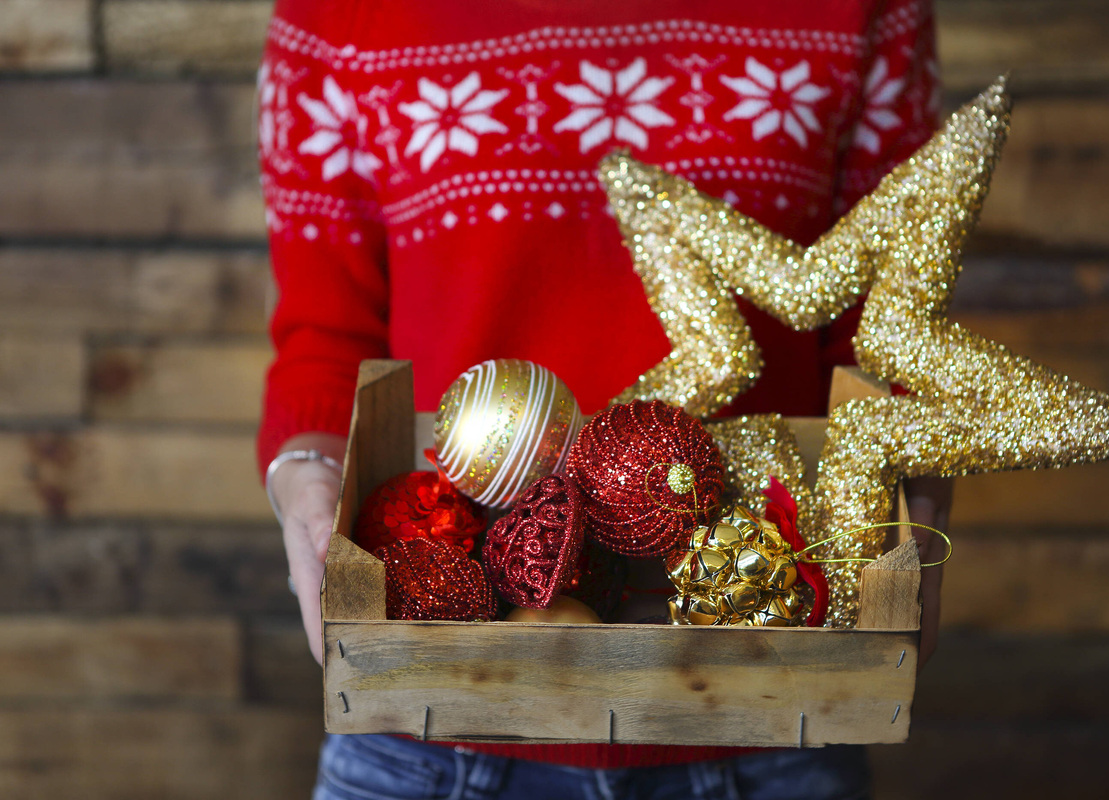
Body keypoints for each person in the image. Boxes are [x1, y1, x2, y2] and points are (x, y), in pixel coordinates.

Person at [258, 0, 949, 797]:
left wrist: (916, 504)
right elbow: (327, 328)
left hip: (768, 708)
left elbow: (883, 316)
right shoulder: (337, 14)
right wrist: (309, 475)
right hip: (427, 727)